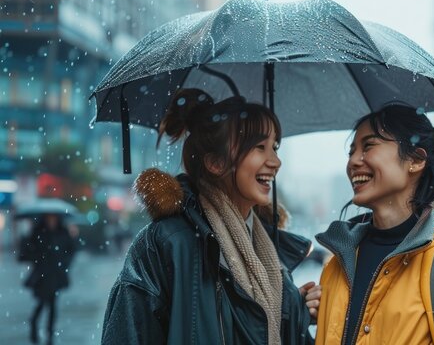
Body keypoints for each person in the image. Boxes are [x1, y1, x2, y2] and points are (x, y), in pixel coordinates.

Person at [102, 89, 320, 344]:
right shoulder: (167, 243)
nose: (276, 161)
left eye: (275, 146)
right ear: (216, 163)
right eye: (260, 147)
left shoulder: (269, 250)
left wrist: (298, 311)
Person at [315, 105, 434, 344]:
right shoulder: (335, 268)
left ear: (416, 160)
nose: (352, 161)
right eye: (351, 151)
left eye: (368, 146)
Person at [23, 213, 76, 344]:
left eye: (54, 218)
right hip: (42, 275)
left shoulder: (63, 232)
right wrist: (39, 258)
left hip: (56, 274)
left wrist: (64, 263)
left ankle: (50, 334)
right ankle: (34, 325)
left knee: (52, 305)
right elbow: (28, 251)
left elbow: (71, 250)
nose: (52, 221)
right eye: (49, 218)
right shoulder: (38, 232)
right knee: (42, 303)